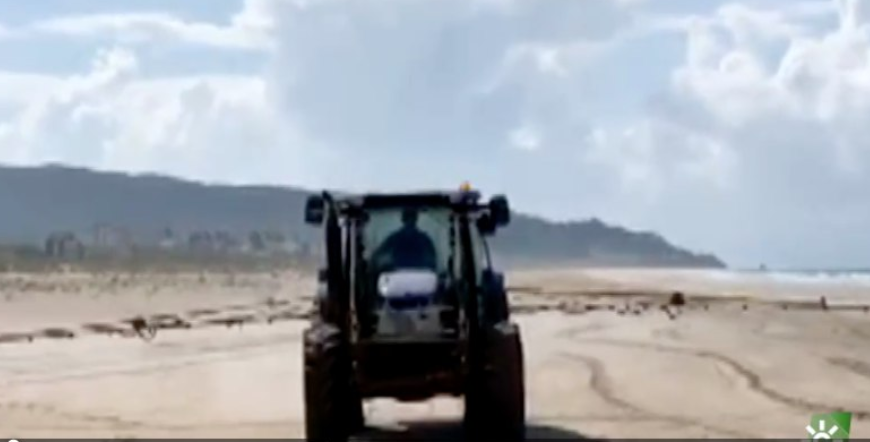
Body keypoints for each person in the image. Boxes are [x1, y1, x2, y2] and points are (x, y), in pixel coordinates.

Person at [372, 208, 438, 271]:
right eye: (409, 218)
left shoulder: (395, 237)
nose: (410, 221)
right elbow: (433, 259)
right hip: (405, 276)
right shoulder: (424, 239)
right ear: (416, 219)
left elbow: (379, 254)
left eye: (411, 218)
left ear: (403, 219)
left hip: (403, 276)